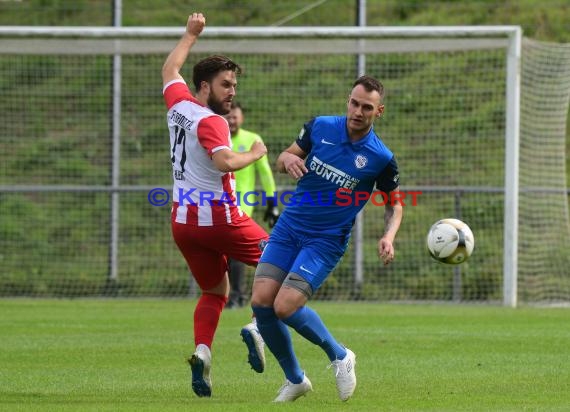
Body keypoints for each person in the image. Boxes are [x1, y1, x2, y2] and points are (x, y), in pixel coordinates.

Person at [248, 75, 403, 402]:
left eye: (367, 107)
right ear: (348, 100)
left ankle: (340, 355)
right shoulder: (319, 127)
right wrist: (287, 158)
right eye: (354, 103)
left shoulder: (381, 158)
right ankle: (295, 379)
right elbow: (284, 158)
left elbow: (394, 204)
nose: (358, 111)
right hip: (289, 227)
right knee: (261, 303)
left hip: (325, 240)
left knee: (285, 306)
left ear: (380, 111)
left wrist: (389, 236)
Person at [162, 12, 266, 398]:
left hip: (182, 222)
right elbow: (225, 161)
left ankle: (203, 353)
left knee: (214, 292)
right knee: (281, 259)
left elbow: (170, 68)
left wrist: (190, 35)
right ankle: (258, 326)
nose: (232, 91)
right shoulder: (212, 122)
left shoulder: (178, 106)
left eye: (234, 84)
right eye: (226, 84)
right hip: (219, 218)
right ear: (205, 86)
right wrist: (255, 153)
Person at [224, 101, 280, 309]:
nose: (231, 120)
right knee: (222, 251)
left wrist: (272, 202)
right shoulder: (219, 137)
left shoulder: (252, 140)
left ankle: (237, 296)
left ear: (242, 118)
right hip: (218, 204)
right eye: (228, 116)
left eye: (235, 117)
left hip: (242, 205)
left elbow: (265, 173)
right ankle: (228, 294)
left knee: (235, 251)